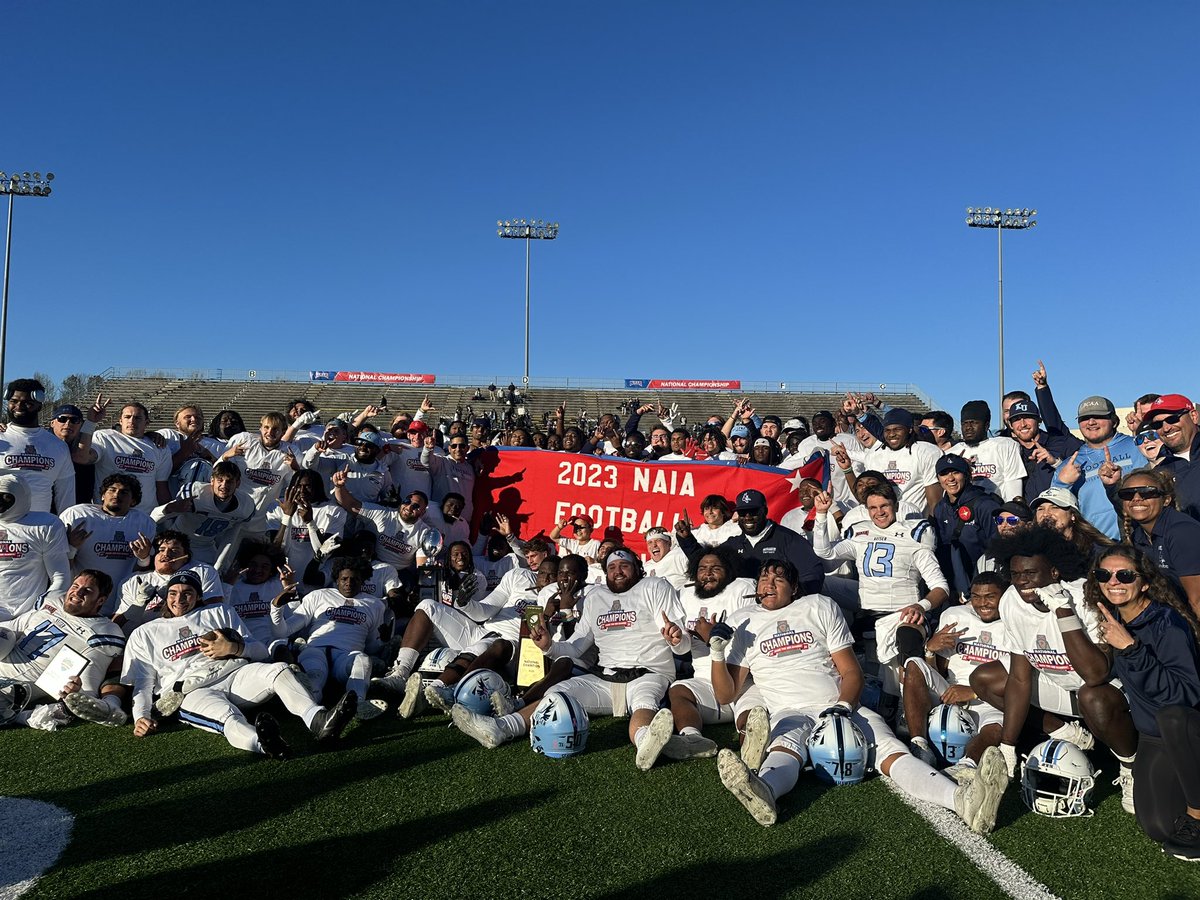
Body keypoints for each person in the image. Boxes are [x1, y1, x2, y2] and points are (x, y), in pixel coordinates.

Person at [708, 558, 1008, 833]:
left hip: (839, 703)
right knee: (783, 748)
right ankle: (763, 792)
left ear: (794, 588)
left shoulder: (818, 605)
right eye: (763, 579)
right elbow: (725, 694)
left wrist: (842, 706)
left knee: (891, 750)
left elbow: (852, 671)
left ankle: (961, 800)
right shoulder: (742, 620)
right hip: (790, 710)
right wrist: (717, 650)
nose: (769, 585)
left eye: (779, 580)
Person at [451, 549, 689, 767]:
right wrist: (549, 647)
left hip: (648, 672)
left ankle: (645, 740)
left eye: (624, 565)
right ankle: (500, 728)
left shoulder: (655, 587)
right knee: (557, 693)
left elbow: (680, 639)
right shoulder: (596, 597)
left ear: (637, 568)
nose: (618, 571)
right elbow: (575, 648)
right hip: (605, 677)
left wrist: (676, 639)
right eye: (612, 567)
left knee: (644, 702)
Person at [968, 525, 1139, 812]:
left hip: (1109, 691)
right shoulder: (1011, 599)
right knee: (985, 678)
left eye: (1030, 574)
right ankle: (1066, 732)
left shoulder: (1083, 594)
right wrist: (1008, 745)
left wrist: (1063, 611)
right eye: (1016, 575)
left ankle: (1130, 764)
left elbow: (1096, 673)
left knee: (1092, 695)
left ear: (1054, 573)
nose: (1022, 583)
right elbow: (1020, 676)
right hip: (1060, 687)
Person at [122, 571, 356, 757]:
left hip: (235, 673)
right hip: (191, 691)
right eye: (173, 592)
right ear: (165, 596)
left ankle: (318, 720)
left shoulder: (219, 612)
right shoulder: (145, 632)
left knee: (278, 670)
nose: (179, 598)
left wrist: (235, 649)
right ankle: (264, 744)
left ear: (199, 596)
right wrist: (141, 715)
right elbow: (143, 683)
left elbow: (261, 651)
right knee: (228, 717)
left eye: (188, 592)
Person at [1078, 546, 1200, 855]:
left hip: (1185, 728)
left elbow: (1185, 695)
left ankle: (1199, 814)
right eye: (1104, 574)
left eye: (1125, 575)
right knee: (1159, 826)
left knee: (1171, 716)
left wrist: (1131, 649)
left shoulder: (1167, 624)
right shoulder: (1114, 620)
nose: (1114, 581)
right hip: (1153, 736)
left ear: (1144, 582)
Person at [634, 546, 757, 770]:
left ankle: (750, 747)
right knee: (678, 690)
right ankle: (692, 738)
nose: (707, 573)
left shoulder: (741, 589)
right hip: (705, 679)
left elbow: (751, 636)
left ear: (728, 571)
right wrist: (676, 638)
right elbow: (683, 649)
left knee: (752, 713)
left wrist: (713, 637)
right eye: (702, 568)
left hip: (739, 679)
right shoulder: (685, 594)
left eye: (715, 568)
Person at [902, 571, 1009, 774]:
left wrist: (974, 691)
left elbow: (1019, 677)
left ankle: (966, 765)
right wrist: (930, 650)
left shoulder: (1015, 623)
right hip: (950, 691)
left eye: (990, 597)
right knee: (914, 663)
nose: (982, 603)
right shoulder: (955, 616)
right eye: (976, 597)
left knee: (995, 727)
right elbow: (938, 672)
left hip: (990, 698)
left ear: (1004, 597)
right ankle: (919, 745)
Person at [1, 570, 125, 731]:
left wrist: (77, 693)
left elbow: (90, 681)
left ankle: (35, 714)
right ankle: (28, 716)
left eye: (87, 590)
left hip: (19, 686)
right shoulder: (51, 601)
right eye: (75, 586)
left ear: (100, 600)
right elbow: (12, 627)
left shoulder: (101, 632)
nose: (78, 592)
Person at [269, 556, 387, 721]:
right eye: (344, 579)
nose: (349, 583)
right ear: (336, 579)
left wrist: (383, 640)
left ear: (363, 581)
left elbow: (372, 645)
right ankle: (312, 707)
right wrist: (276, 608)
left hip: (347, 657)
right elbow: (283, 631)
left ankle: (358, 704)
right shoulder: (318, 596)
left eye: (355, 579)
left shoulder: (375, 605)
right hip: (316, 649)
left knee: (363, 660)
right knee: (316, 676)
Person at [676, 488, 825, 595]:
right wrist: (686, 539)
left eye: (753, 511)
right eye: (742, 512)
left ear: (765, 511)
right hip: (745, 610)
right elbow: (707, 562)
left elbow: (812, 574)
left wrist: (791, 599)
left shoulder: (788, 539)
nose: (747, 517)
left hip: (782, 609)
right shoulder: (734, 544)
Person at [1051, 395, 1147, 539]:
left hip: (1140, 537)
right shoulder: (1069, 465)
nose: (1091, 422)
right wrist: (1061, 483)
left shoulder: (1138, 446)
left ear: (1114, 421)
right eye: (1084, 418)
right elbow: (1054, 510)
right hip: (1095, 545)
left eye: (1098, 416)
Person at [59, 473, 155, 607]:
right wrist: (71, 548)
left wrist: (144, 558)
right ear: (103, 495)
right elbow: (58, 567)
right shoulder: (78, 516)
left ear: (133, 500)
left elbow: (142, 574)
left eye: (124, 492)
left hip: (121, 602)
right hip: (80, 600)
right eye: (112, 490)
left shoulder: (144, 523)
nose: (116, 495)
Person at [1117, 469, 1200, 617]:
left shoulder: (1182, 532)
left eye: (1146, 492)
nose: (1136, 498)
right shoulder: (1138, 536)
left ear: (1166, 500)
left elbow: (1197, 601)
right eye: (1128, 494)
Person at [113, 530, 225, 634]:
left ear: (186, 557)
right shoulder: (132, 581)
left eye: (174, 551)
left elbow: (215, 611)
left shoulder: (201, 571)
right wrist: (138, 604)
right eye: (161, 550)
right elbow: (116, 627)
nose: (166, 554)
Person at [150, 461, 257, 570]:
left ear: (238, 483)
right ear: (212, 481)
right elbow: (153, 517)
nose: (224, 485)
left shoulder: (246, 506)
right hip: (176, 543)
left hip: (205, 547)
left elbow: (230, 536)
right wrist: (170, 508)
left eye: (229, 481)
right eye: (220, 480)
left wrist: (219, 563)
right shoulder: (197, 494)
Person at [0, 472, 71, 620]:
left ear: (21, 496)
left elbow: (60, 576)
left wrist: (42, 610)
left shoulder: (45, 524)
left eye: (5, 496)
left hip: (26, 616)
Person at [931, 454, 1000, 600]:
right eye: (944, 473)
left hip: (983, 582)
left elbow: (997, 548)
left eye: (956, 472)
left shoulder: (985, 505)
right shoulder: (940, 508)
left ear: (966, 475)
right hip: (955, 583)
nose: (950, 479)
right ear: (938, 478)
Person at [0, 378, 75, 513]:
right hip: (3, 528)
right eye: (14, 401)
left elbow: (66, 495)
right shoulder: (1, 439)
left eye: (27, 402)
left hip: (40, 529)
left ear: (39, 405)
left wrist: (67, 527)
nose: (19, 406)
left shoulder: (57, 446)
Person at [220, 412, 300, 536]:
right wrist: (225, 456)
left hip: (261, 520)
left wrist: (296, 468)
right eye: (266, 427)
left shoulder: (291, 452)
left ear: (283, 431)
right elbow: (218, 473)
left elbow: (298, 484)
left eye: (275, 429)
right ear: (260, 428)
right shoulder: (243, 440)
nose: (270, 432)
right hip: (233, 514)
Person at [89, 402, 172, 514]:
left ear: (146, 422)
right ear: (120, 420)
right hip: (108, 515)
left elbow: (161, 487)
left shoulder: (159, 447)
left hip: (144, 516)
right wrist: (90, 422)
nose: (132, 421)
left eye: (137, 418)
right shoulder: (105, 438)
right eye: (127, 417)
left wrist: (167, 518)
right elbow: (81, 457)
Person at [269, 469, 347, 586]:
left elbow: (325, 552)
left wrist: (310, 522)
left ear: (318, 487)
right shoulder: (277, 507)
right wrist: (287, 516)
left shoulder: (334, 511)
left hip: (314, 583)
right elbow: (276, 549)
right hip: (283, 582)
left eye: (307, 486)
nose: (302, 491)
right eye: (298, 486)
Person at [861, 408, 943, 516]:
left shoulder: (927, 452)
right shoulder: (873, 455)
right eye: (887, 430)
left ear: (909, 430)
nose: (892, 434)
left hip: (914, 523)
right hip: (881, 523)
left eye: (897, 429)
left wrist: (932, 527)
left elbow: (935, 501)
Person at [948, 400, 1025, 500]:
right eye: (964, 423)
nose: (968, 428)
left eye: (974, 423)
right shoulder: (951, 453)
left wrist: (1011, 512)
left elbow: (1014, 488)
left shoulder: (1006, 446)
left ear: (986, 425)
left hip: (997, 510)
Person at [1144, 394, 1200, 522]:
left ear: (1194, 416)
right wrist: (1113, 487)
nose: (1166, 428)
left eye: (1173, 419)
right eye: (1157, 424)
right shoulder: (1159, 473)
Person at [1030, 486, 1113, 564]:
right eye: (1040, 509)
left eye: (1054, 507)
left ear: (1072, 515)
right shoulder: (1031, 549)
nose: (1045, 514)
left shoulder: (1096, 551)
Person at [46, 402, 98, 506]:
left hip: (78, 511)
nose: (68, 423)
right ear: (52, 423)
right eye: (62, 419)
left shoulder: (87, 449)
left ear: (81, 425)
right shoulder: (40, 445)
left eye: (74, 420)